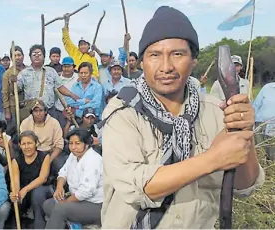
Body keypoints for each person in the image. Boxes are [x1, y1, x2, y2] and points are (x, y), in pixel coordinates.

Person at [100, 6, 265, 228]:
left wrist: (244, 133)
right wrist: (214, 159)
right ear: (142, 63)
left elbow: (244, 185)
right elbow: (138, 187)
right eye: (155, 55)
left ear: (194, 60)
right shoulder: (122, 112)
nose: (166, 67)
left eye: (177, 54)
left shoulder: (216, 111)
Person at [43, 128, 103, 229]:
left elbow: (85, 192)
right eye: (71, 143)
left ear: (87, 144)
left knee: (60, 209)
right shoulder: (73, 155)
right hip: (78, 200)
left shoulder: (93, 160)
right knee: (48, 204)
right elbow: (63, 172)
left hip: (95, 205)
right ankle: (72, 223)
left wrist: (66, 202)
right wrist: (59, 187)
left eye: (77, 143)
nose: (73, 147)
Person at [13, 44, 80, 121]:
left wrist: (72, 95)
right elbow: (17, 89)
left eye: (39, 54)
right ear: (30, 57)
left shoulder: (51, 71)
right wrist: (13, 82)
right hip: (32, 111)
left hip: (49, 110)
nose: (37, 56)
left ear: (44, 56)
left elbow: (60, 87)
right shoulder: (23, 73)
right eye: (34, 54)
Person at [9, 131, 52, 229]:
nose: (26, 147)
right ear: (20, 145)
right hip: (24, 188)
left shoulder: (44, 156)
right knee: (15, 200)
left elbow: (43, 178)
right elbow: (15, 180)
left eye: (30, 143)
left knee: (37, 194)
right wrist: (15, 191)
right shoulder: (16, 160)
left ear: (36, 143)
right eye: (23, 144)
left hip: (40, 188)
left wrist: (26, 189)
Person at [20, 100, 65, 175]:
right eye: (35, 111)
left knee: (60, 166)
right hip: (31, 153)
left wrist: (48, 162)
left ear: (45, 111)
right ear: (32, 112)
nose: (38, 113)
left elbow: (59, 145)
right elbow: (23, 144)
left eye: (41, 110)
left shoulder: (54, 123)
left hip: (49, 153)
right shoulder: (25, 123)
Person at [62, 14, 99, 78]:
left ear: (88, 46)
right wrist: (66, 23)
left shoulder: (92, 58)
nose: (83, 46)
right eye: (81, 45)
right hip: (70, 78)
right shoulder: (74, 51)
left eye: (85, 44)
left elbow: (95, 74)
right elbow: (66, 40)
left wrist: (84, 77)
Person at [2, 45, 26, 131]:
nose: (17, 58)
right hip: (13, 107)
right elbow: (5, 93)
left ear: (23, 56)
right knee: (14, 131)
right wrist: (7, 111)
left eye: (19, 55)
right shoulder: (7, 73)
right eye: (14, 55)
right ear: (12, 58)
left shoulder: (28, 70)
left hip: (27, 106)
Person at [54, 57, 79, 128]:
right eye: (64, 66)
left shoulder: (78, 78)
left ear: (73, 67)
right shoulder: (57, 78)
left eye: (69, 66)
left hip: (75, 112)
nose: (66, 69)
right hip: (60, 111)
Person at [253, 81, 275, 160]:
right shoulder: (267, 88)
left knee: (272, 156)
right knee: (260, 153)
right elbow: (256, 105)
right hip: (260, 124)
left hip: (273, 127)